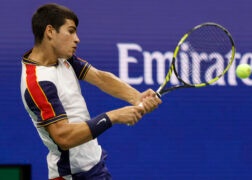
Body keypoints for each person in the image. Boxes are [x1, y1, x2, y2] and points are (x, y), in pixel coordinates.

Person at [20, 3, 162, 180]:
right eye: (70, 31)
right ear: (50, 31)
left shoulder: (64, 59)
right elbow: (64, 137)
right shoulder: (38, 83)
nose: (77, 38)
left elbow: (100, 77)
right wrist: (113, 116)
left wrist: (136, 97)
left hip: (94, 166)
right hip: (72, 175)